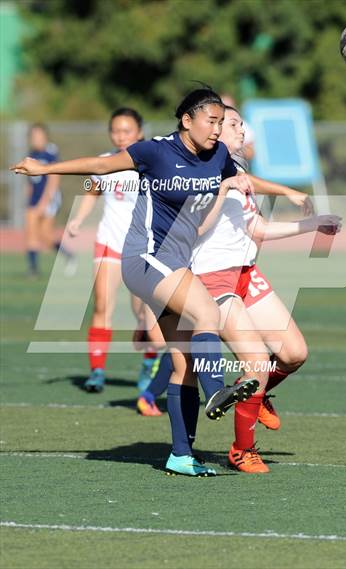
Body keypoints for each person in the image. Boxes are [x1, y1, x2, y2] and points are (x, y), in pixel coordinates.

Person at [11, 88, 261, 477]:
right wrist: (44, 169)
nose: (217, 130)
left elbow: (247, 180)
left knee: (183, 365)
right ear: (187, 121)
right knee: (206, 312)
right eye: (211, 122)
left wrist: (290, 193)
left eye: (220, 122)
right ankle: (217, 391)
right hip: (144, 258)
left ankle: (181, 455)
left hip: (175, 264)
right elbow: (101, 163)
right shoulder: (154, 152)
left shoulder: (219, 157)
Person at [141, 106, 341, 473]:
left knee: (294, 354)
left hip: (246, 274)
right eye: (232, 125)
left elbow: (258, 229)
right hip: (212, 281)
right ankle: (241, 449)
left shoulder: (236, 172)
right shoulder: (199, 174)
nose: (239, 132)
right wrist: (222, 188)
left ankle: (257, 393)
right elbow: (191, 232)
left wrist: (312, 223)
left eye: (237, 125)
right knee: (256, 366)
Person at [67, 108, 164, 400]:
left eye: (127, 131)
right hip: (108, 242)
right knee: (102, 307)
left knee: (143, 315)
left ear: (140, 133)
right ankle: (96, 372)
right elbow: (91, 189)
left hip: (140, 248)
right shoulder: (105, 160)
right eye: (116, 131)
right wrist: (78, 219)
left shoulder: (150, 160)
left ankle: (149, 364)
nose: (121, 136)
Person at [25, 123, 75, 277]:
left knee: (45, 237)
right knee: (35, 233)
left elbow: (54, 179)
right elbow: (30, 181)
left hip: (49, 199)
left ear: (45, 137)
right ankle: (34, 269)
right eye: (33, 136)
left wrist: (43, 203)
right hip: (34, 199)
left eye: (39, 136)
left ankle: (68, 256)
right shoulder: (32, 154)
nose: (36, 139)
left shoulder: (50, 153)